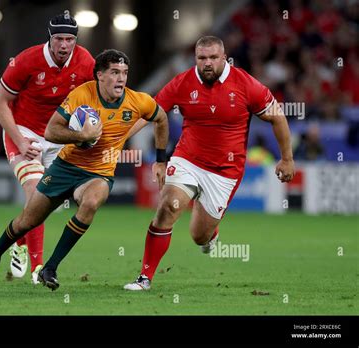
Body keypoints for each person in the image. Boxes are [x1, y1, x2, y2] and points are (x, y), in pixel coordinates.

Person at [0, 49, 169, 290]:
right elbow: (51, 131)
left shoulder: (138, 101)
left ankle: (50, 268)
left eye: (125, 73)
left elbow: (161, 119)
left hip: (98, 173)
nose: (121, 79)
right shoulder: (82, 95)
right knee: (27, 221)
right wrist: (80, 136)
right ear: (99, 75)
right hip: (65, 167)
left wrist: (160, 159)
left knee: (92, 202)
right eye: (114, 73)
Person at [124, 36, 295, 290]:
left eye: (213, 58)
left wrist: (287, 159)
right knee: (168, 208)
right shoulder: (182, 82)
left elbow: (277, 118)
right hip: (187, 159)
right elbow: (151, 113)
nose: (207, 63)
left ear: (224, 57)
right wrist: (118, 138)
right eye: (202, 58)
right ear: (195, 58)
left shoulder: (246, 84)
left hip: (225, 171)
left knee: (199, 235)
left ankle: (210, 235)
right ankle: (145, 277)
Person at [0, 13, 95, 284]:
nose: (64, 45)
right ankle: (38, 268)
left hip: (60, 137)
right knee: (36, 192)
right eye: (59, 39)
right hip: (24, 131)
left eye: (70, 39)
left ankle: (19, 242)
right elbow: (0, 103)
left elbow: (96, 100)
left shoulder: (86, 61)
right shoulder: (26, 60)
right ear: (49, 39)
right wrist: (19, 139)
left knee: (46, 205)